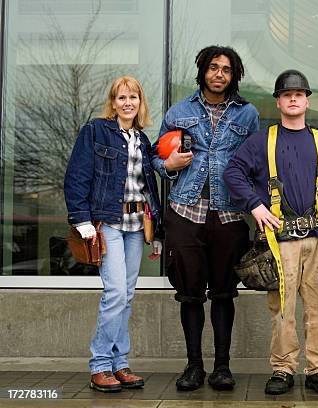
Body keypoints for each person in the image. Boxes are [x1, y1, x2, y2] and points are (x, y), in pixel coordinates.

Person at [224, 69, 318, 396]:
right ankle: (282, 369)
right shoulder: (261, 141)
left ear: (306, 100)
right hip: (279, 241)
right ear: (279, 101)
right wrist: (254, 204)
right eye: (287, 94)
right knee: (282, 309)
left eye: (299, 94)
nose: (293, 98)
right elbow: (233, 173)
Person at [151, 45, 259, 391]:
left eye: (226, 69)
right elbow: (156, 155)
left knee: (224, 292)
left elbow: (256, 163)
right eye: (214, 68)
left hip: (229, 215)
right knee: (190, 293)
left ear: (234, 75)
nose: (219, 74)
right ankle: (194, 366)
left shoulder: (248, 114)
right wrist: (168, 166)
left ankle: (222, 368)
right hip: (185, 211)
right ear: (203, 70)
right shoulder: (179, 111)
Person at [64, 76, 163, 392]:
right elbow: (76, 177)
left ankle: (120, 365)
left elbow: (150, 190)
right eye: (122, 97)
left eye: (133, 97)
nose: (128, 103)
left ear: (140, 102)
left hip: (137, 227)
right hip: (107, 223)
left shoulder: (143, 140)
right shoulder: (95, 132)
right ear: (113, 102)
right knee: (116, 293)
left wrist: (156, 231)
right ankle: (100, 365)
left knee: (127, 295)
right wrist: (82, 220)